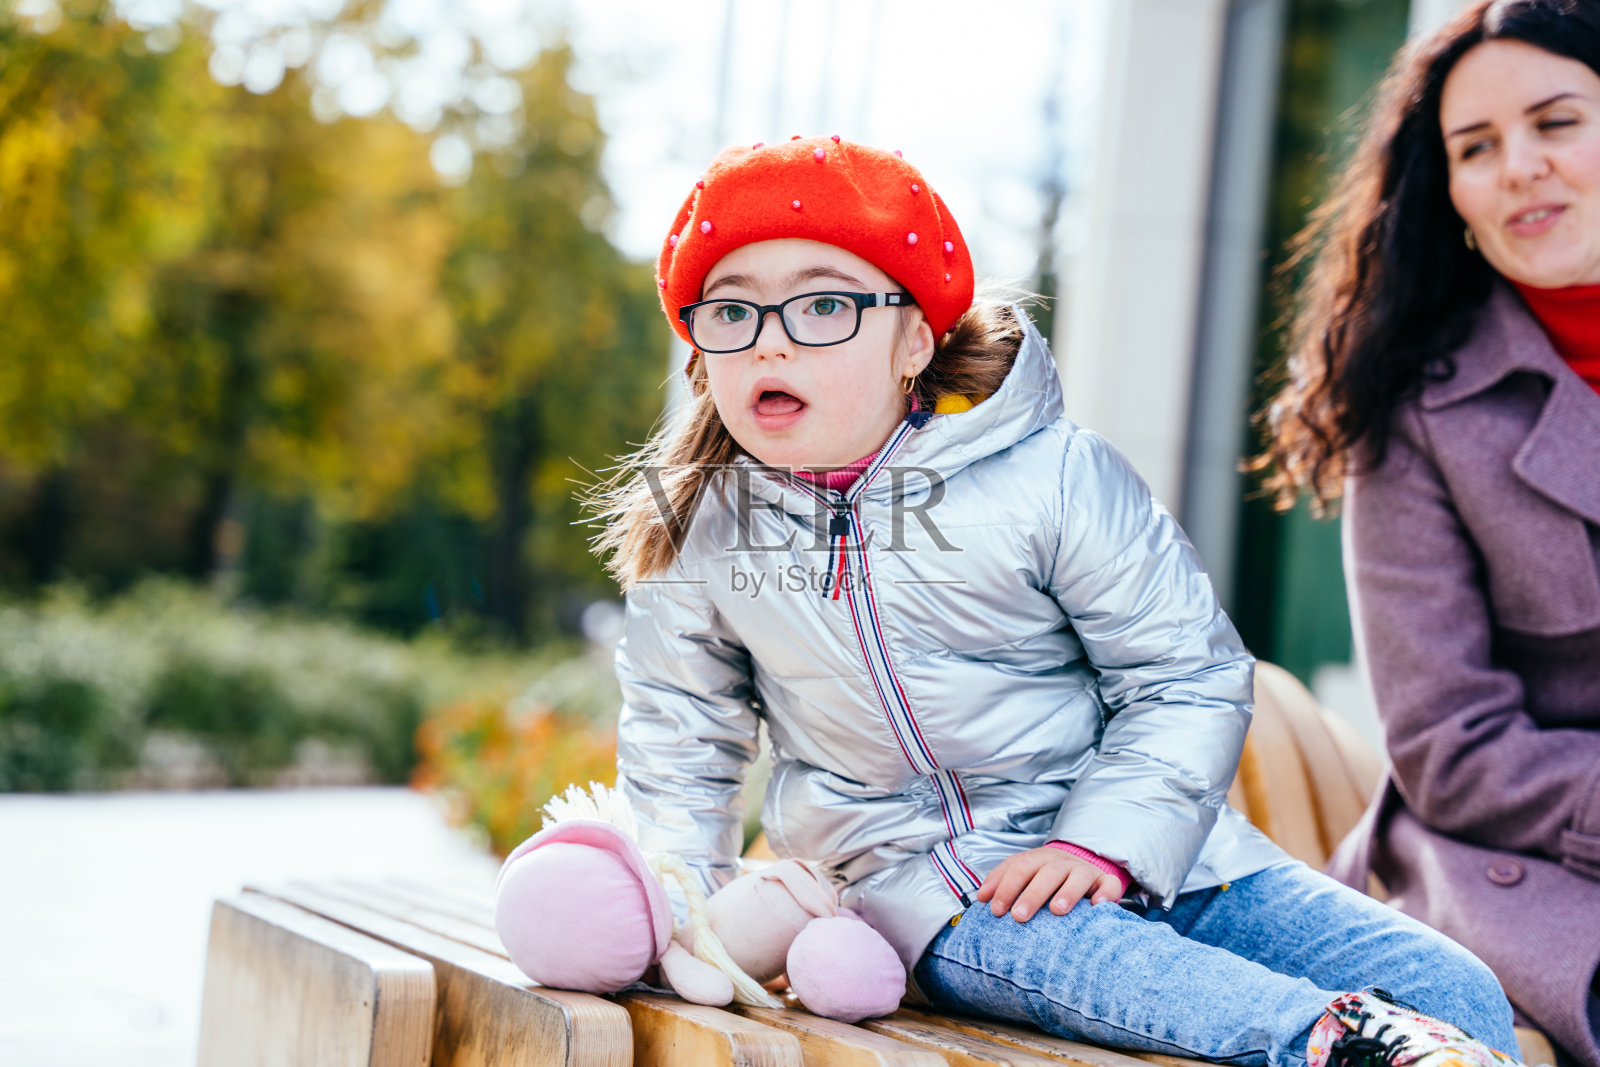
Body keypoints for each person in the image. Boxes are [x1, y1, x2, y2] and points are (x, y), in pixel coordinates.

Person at [591, 134, 1520, 1067]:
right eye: (732, 311)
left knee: (1453, 989)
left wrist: (1103, 846)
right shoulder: (705, 530)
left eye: (825, 303)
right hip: (921, 894)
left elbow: (1183, 674)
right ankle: (1330, 1043)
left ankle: (1387, 1038)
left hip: (1159, 855)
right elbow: (683, 740)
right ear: (702, 352)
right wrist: (691, 926)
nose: (773, 339)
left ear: (916, 338)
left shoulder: (1055, 476)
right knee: (1079, 955)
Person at [1256, 2, 1600, 1064]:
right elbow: (1450, 745)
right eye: (1476, 148)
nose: (1520, 168)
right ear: (1446, 190)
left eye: (1557, 122)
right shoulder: (1412, 410)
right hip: (1530, 868)